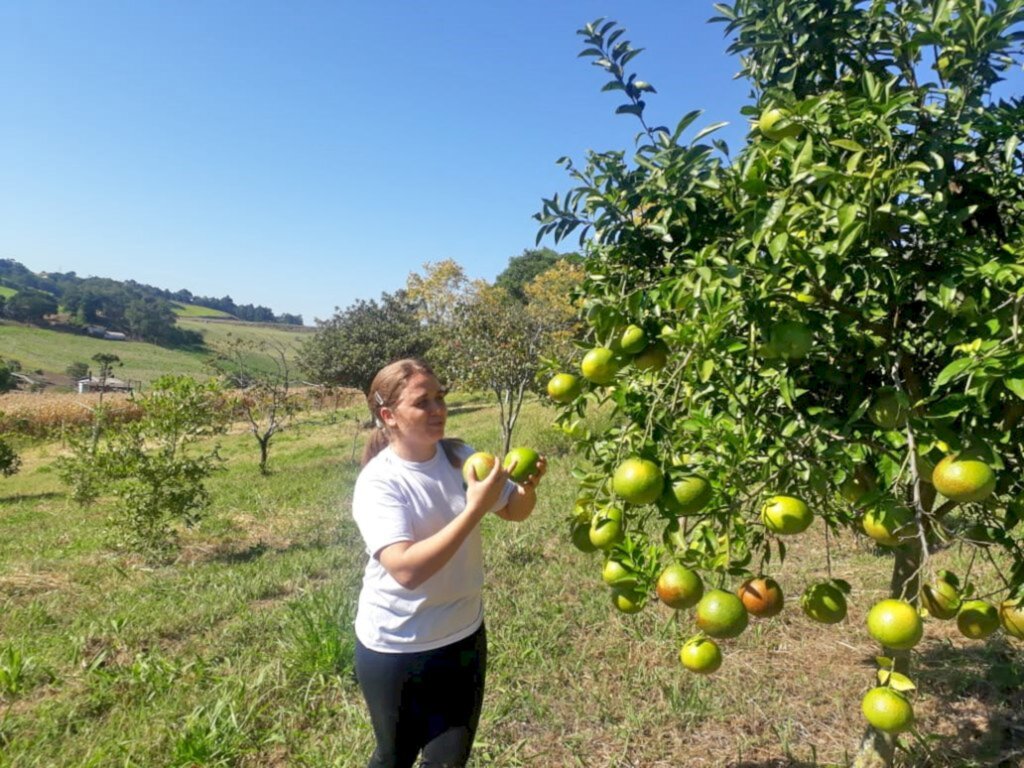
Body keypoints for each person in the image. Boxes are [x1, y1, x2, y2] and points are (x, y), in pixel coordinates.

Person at [351, 358, 546, 768]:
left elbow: (513, 510)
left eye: (441, 398)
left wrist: (526, 488)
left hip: (463, 634)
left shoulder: (461, 455)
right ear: (389, 416)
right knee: (395, 755)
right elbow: (406, 569)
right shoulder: (379, 481)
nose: (439, 409)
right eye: (423, 402)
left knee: (449, 759)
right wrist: (473, 511)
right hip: (397, 646)